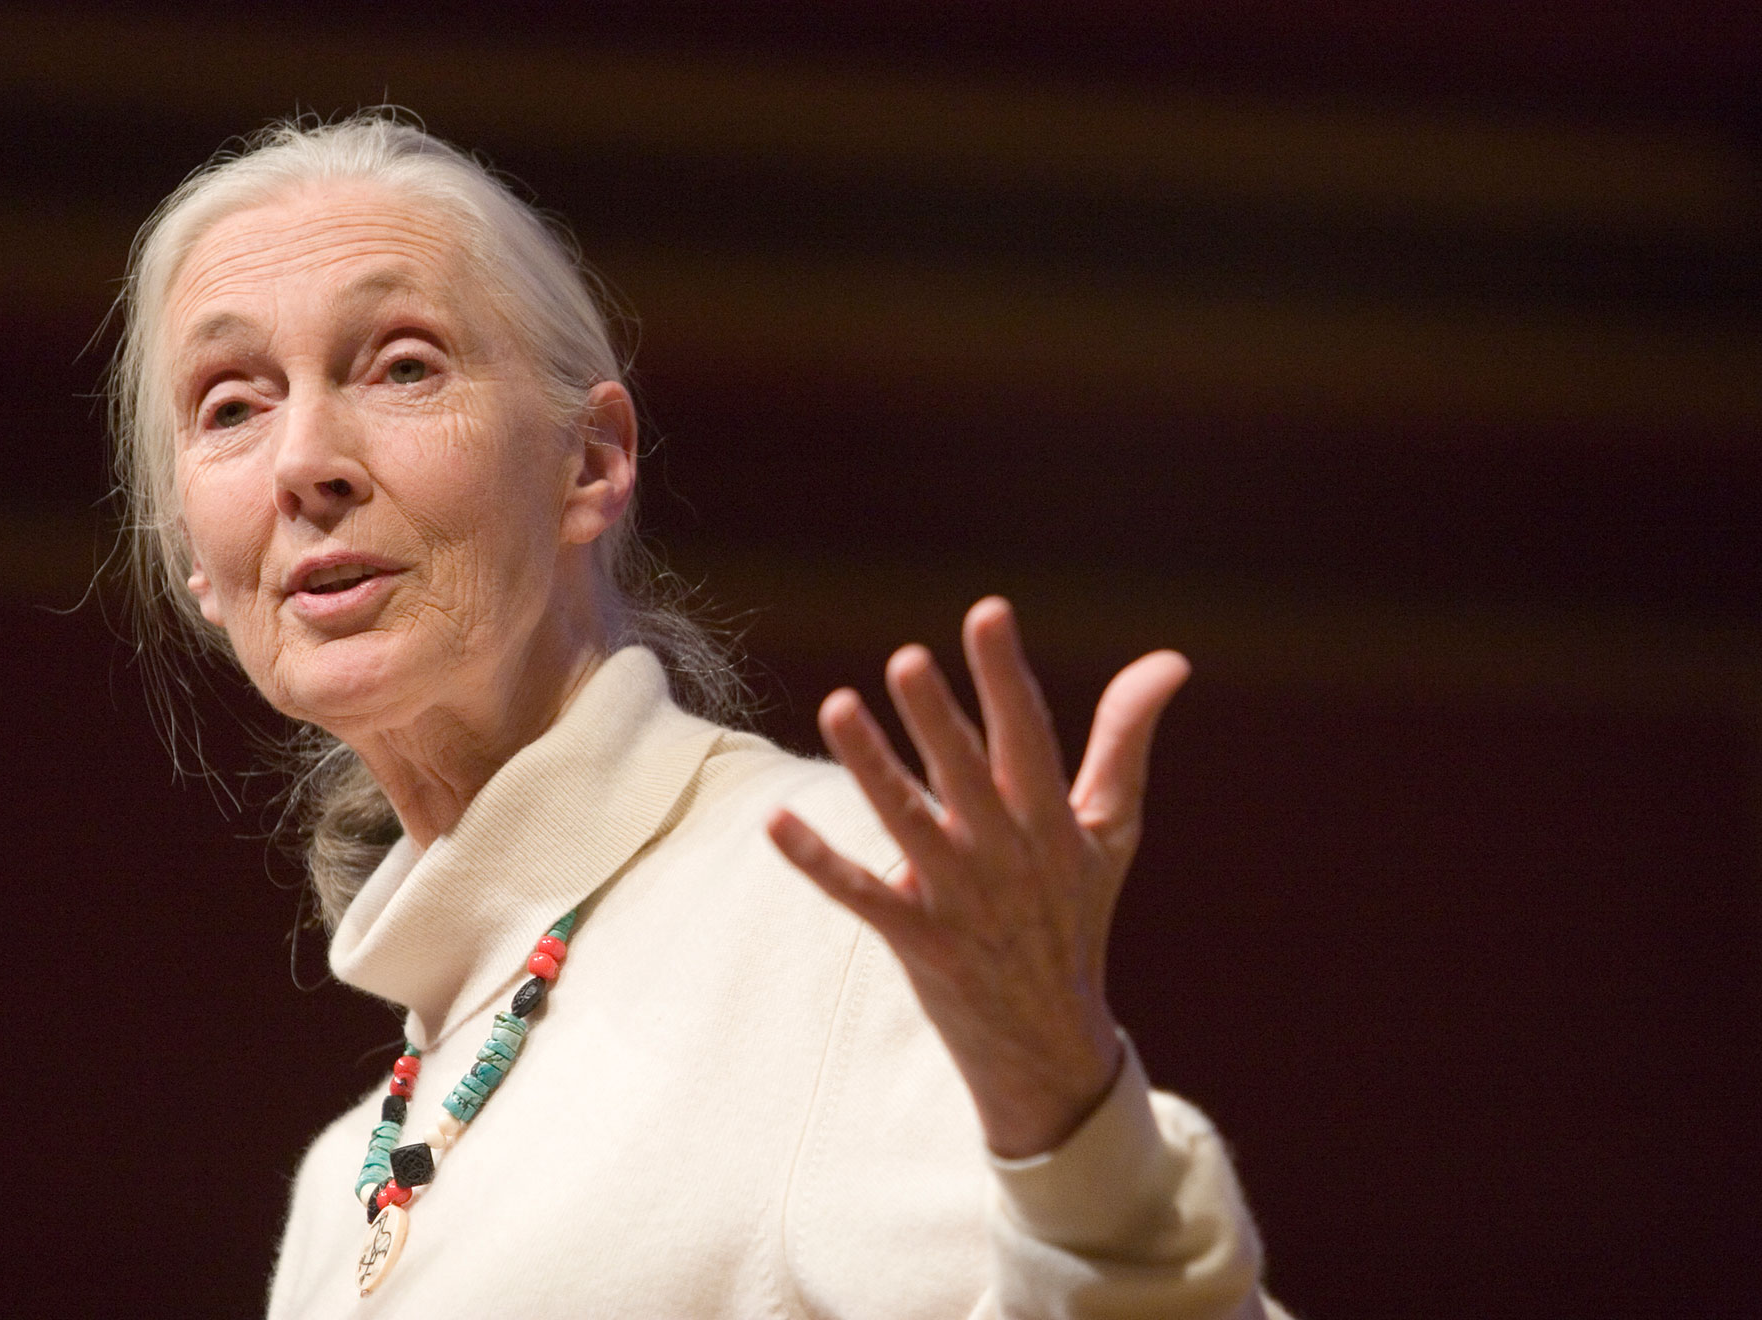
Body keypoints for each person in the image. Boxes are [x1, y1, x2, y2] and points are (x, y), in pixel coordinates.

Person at [112, 112, 1287, 1318]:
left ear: (591, 461)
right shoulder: (339, 1187)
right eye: (231, 406)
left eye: (404, 366)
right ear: (198, 562)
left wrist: (1066, 1119)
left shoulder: (838, 904)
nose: (305, 460)